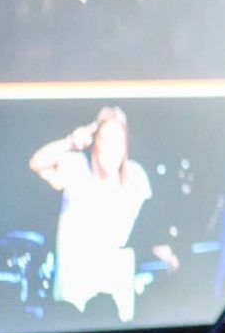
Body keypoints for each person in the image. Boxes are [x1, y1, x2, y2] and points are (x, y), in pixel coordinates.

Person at [28, 107, 168, 322]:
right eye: (105, 140)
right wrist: (70, 142)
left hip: (117, 302)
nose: (112, 149)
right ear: (95, 142)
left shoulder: (135, 177)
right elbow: (37, 163)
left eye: (118, 142)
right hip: (74, 299)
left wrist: (169, 257)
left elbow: (149, 226)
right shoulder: (76, 168)